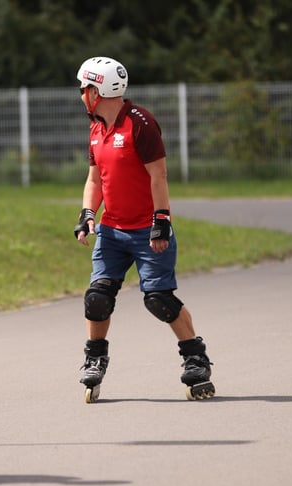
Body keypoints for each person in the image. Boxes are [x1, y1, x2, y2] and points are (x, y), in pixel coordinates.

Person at [72, 56, 214, 403]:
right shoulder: (96, 129)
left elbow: (158, 175)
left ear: (98, 90)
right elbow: (95, 179)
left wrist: (161, 220)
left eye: (83, 88)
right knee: (98, 297)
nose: (80, 95)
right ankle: (95, 357)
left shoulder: (140, 123)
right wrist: (88, 212)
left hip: (146, 230)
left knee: (159, 300)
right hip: (111, 231)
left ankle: (195, 358)